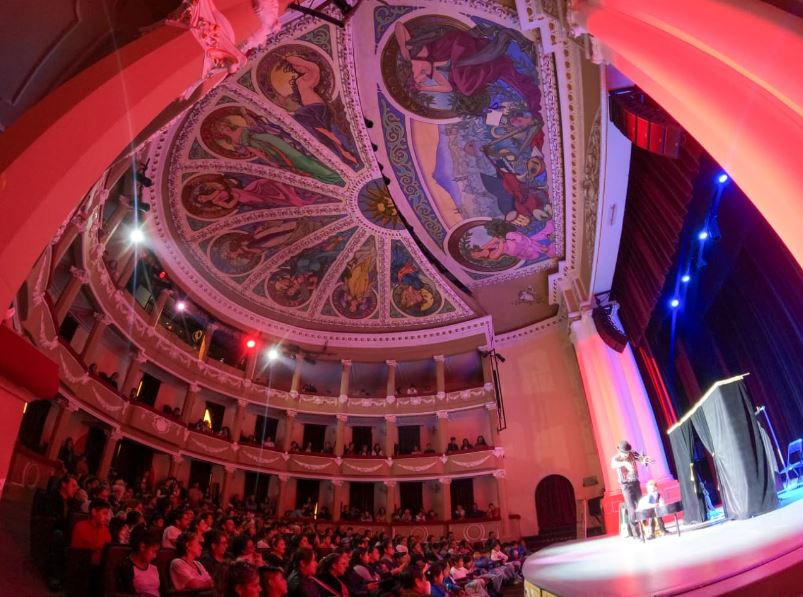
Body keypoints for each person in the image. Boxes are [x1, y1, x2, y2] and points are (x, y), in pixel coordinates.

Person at [610, 440, 654, 539]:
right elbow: (613, 465)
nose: (626, 455)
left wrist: (646, 460)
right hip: (625, 485)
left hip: (635, 482)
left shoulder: (632, 453)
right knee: (632, 508)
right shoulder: (616, 458)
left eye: (627, 452)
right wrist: (625, 463)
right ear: (619, 451)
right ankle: (636, 534)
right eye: (624, 453)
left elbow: (641, 459)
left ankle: (645, 530)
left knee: (641, 505)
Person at [116, 526, 161, 597]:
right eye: (153, 551)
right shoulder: (127, 567)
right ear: (142, 547)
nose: (155, 556)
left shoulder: (154, 566)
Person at [70, 498, 112, 566]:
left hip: (100, 569)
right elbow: (75, 556)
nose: (107, 518)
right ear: (94, 512)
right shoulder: (80, 527)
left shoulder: (106, 531)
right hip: (82, 567)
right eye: (104, 513)